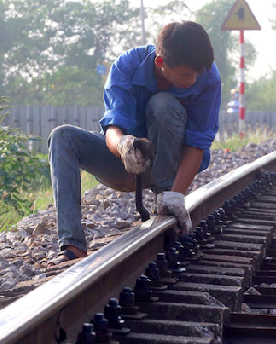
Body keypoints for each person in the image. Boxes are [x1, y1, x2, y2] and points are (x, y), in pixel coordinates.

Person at [47, 21, 221, 266]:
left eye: (196, 74)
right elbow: (112, 128)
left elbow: (198, 142)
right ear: (161, 62)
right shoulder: (127, 65)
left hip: (171, 168)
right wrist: (124, 145)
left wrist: (176, 195)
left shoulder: (209, 78)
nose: (192, 81)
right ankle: (73, 246)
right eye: (185, 74)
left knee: (163, 104)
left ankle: (164, 197)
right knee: (62, 136)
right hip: (125, 162)